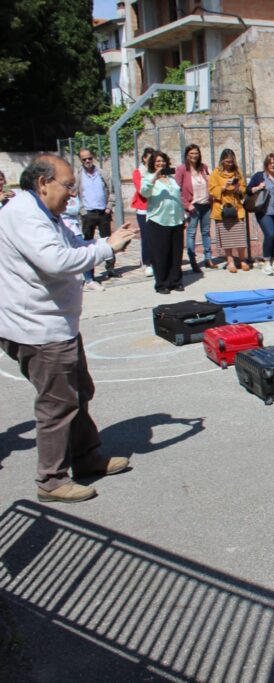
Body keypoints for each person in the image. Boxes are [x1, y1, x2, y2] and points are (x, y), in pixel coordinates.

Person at [0, 154, 135, 503]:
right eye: (68, 186)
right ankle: (52, 480)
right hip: (38, 330)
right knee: (58, 405)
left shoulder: (46, 215)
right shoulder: (25, 215)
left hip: (57, 325)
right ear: (43, 183)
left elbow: (70, 247)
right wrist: (106, 248)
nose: (72, 195)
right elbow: (56, 262)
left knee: (79, 392)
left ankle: (85, 457)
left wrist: (101, 243)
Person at [140, 151, 186, 294]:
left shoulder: (171, 179)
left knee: (176, 253)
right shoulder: (148, 178)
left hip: (176, 220)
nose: (161, 164)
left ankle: (175, 281)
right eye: (158, 161)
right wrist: (155, 176)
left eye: (163, 161)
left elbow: (178, 196)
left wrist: (183, 215)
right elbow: (144, 192)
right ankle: (162, 283)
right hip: (158, 220)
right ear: (153, 163)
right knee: (160, 254)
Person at [75, 148, 117, 280]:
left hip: (103, 212)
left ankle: (110, 268)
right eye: (84, 159)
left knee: (108, 241)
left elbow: (112, 191)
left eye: (89, 158)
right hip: (88, 213)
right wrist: (82, 211)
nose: (87, 161)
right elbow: (74, 194)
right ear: (80, 160)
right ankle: (89, 274)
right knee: (88, 244)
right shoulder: (78, 176)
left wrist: (109, 207)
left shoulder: (102, 173)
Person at [246, 152, 274, 276]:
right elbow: (248, 190)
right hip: (264, 211)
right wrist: (258, 187)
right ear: (266, 164)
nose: (272, 165)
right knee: (269, 234)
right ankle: (266, 262)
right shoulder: (260, 176)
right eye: (270, 163)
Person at [209, 148, 248, 273]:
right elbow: (211, 189)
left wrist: (238, 189)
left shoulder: (237, 172)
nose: (229, 164)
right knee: (227, 238)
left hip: (237, 208)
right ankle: (230, 261)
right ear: (222, 161)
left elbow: (243, 187)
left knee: (240, 236)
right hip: (222, 208)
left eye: (231, 161)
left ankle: (242, 260)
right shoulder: (216, 173)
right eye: (226, 161)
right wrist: (223, 187)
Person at [175, 144, 213, 273]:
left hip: (206, 204)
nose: (194, 156)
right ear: (187, 155)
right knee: (191, 233)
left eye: (196, 153)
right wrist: (186, 205)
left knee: (206, 232)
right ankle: (193, 261)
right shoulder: (181, 170)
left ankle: (208, 258)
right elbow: (177, 190)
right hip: (193, 206)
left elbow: (210, 182)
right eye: (191, 153)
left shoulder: (204, 168)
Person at [130, 148, 155, 276]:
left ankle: (156, 259)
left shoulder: (157, 172)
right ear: (144, 158)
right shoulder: (137, 173)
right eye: (150, 158)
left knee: (156, 236)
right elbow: (141, 190)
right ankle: (147, 262)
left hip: (156, 208)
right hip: (143, 209)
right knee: (146, 236)